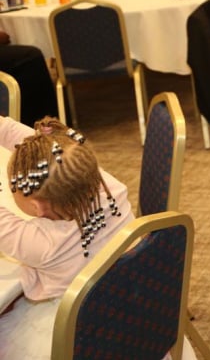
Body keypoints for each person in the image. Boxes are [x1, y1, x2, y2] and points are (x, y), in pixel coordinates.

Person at [0, 117, 133, 360]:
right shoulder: (109, 188)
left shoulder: (41, 244)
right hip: (135, 308)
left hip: (75, 333)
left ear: (37, 206)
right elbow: (54, 156)